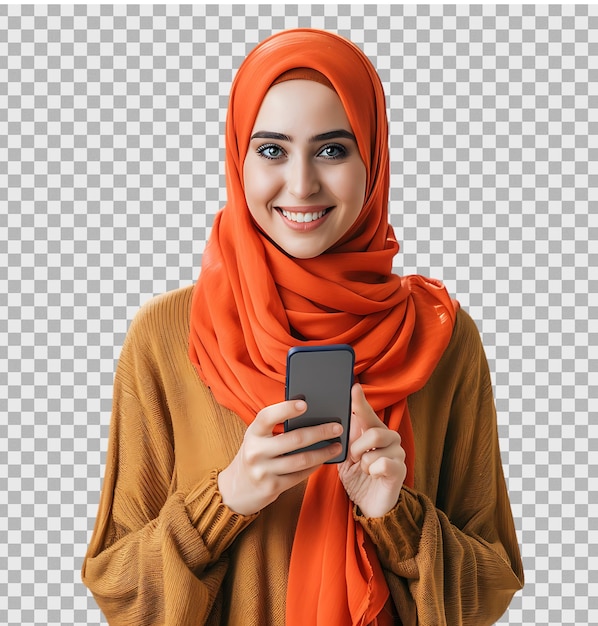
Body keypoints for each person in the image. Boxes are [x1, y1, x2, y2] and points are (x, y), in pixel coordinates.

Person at [81, 29, 524, 625]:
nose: (301, 185)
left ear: (374, 155)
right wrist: (228, 498)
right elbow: (119, 588)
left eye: (332, 150)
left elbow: (491, 585)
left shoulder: (440, 339)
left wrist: (393, 514)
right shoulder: (166, 336)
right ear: (239, 160)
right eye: (271, 150)